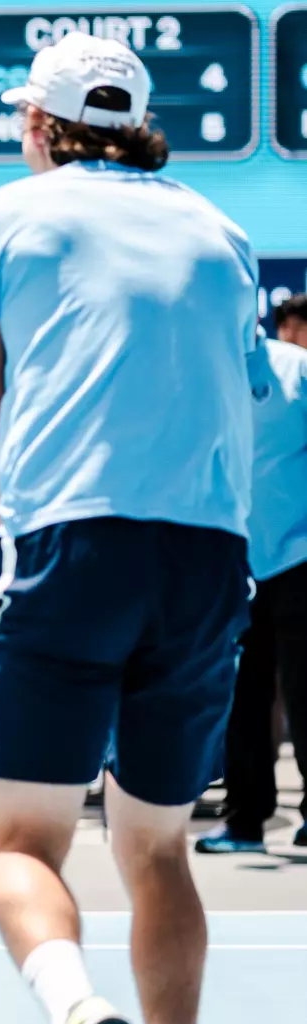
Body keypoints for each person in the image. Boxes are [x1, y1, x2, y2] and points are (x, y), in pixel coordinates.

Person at [0, 34, 260, 1024]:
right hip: (211, 560)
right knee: (159, 847)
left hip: (73, 546)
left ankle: (77, 1012)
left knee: (22, 841)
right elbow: (243, 388)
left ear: (41, 125)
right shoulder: (225, 231)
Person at [195, 332, 307, 854]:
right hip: (228, 561)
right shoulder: (193, 370)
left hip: (300, 559)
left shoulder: (295, 370)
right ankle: (244, 822)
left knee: (306, 693)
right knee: (241, 697)